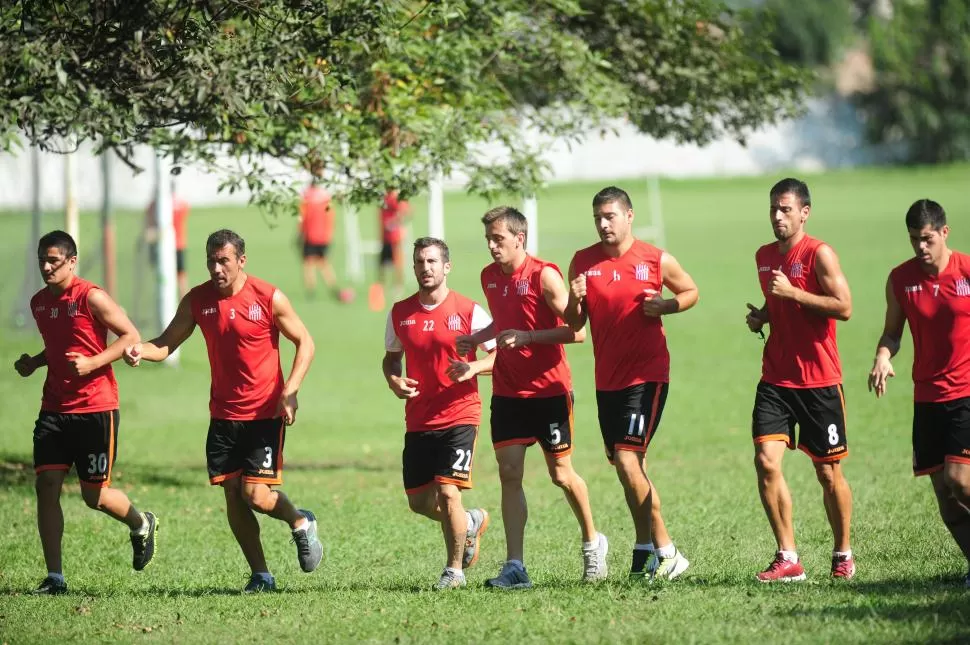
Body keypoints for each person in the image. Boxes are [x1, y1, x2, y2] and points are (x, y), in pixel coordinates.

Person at [123, 229, 322, 593]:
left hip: (264, 413)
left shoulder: (268, 297)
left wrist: (290, 391)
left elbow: (305, 342)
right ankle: (261, 574)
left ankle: (300, 522)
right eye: (211, 261)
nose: (216, 269)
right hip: (223, 416)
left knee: (256, 495)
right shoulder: (198, 300)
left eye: (224, 261)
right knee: (232, 493)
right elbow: (166, 343)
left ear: (241, 260)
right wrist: (140, 350)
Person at [457, 206, 608, 589]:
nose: (492, 247)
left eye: (499, 239)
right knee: (509, 474)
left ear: (519, 239)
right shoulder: (489, 277)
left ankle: (593, 542)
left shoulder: (545, 275)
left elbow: (576, 332)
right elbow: (503, 321)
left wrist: (528, 338)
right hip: (508, 391)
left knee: (561, 474)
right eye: (488, 239)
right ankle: (515, 566)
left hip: (549, 392)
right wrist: (477, 338)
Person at [564, 186, 697, 581]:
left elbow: (691, 291)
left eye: (610, 216)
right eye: (598, 219)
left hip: (647, 375)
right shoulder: (582, 263)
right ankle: (643, 551)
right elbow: (574, 326)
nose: (604, 224)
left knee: (627, 460)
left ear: (629, 216)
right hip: (607, 381)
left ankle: (669, 552)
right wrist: (574, 299)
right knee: (629, 467)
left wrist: (668, 305)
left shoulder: (654, 259)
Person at [15, 230, 158, 595]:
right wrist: (36, 361)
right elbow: (59, 346)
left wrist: (94, 361)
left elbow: (129, 336)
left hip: (96, 407)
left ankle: (141, 523)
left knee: (94, 497)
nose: (46, 267)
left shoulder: (91, 297)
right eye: (42, 261)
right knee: (46, 485)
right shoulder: (38, 303)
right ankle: (55, 577)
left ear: (72, 262)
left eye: (54, 261)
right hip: (54, 409)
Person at [745, 178, 855, 582]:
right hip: (775, 379)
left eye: (786, 209)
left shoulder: (819, 254)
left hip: (819, 381)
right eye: (773, 208)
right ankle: (787, 556)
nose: (777, 216)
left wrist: (794, 295)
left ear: (804, 212)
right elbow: (778, 304)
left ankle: (843, 552)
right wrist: (763, 314)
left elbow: (843, 307)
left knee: (828, 474)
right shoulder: (763, 256)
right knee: (765, 461)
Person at [382, 237, 497, 589]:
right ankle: (470, 521)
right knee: (419, 501)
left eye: (432, 261)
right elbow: (391, 357)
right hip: (419, 419)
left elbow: (500, 355)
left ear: (446, 267)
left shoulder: (469, 311)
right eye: (419, 262)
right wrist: (393, 380)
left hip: (461, 414)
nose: (425, 268)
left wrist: (472, 368)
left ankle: (454, 571)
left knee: (448, 492)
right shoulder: (400, 313)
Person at [868, 199, 970, 587]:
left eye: (927, 239)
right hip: (927, 399)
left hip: (965, 392)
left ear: (944, 232)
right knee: (946, 498)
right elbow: (893, 333)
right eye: (914, 240)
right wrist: (882, 356)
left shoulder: (966, 271)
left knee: (962, 482)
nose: (920, 248)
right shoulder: (901, 279)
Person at [145, 185, 191, 298]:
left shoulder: (154, 205)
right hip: (179, 244)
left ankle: (162, 300)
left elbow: (150, 226)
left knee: (160, 275)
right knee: (181, 276)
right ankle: (184, 302)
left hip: (160, 245)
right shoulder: (182, 204)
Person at [369, 190, 411, 311]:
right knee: (382, 265)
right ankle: (381, 289)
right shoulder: (383, 198)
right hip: (385, 237)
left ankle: (398, 287)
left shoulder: (395, 198)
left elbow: (405, 211)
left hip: (395, 237)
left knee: (397, 263)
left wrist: (394, 222)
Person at [299, 180, 341, 300]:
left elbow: (303, 217)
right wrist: (329, 233)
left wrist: (301, 232)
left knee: (308, 263)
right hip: (324, 236)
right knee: (323, 262)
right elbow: (331, 216)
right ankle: (333, 287)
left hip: (310, 235)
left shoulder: (306, 197)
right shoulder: (325, 197)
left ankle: (310, 290)